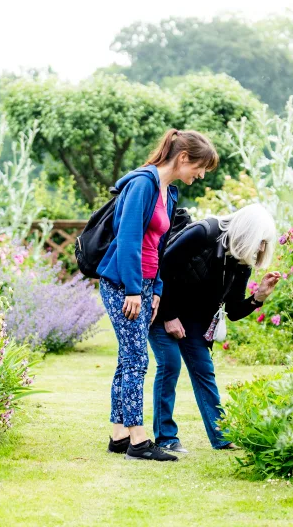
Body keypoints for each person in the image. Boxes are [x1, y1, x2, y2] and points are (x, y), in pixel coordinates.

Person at [97, 129, 219, 461]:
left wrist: (157, 290)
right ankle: (138, 441)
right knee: (137, 359)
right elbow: (128, 240)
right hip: (123, 284)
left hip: (146, 285)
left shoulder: (168, 192)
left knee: (128, 358)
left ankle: (118, 434)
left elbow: (159, 247)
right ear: (183, 158)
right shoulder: (142, 184)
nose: (201, 174)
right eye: (201, 167)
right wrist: (135, 290)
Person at [148, 204, 280, 453]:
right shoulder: (203, 232)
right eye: (260, 241)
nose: (261, 248)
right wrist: (169, 315)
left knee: (204, 371)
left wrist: (258, 297)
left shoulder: (241, 260)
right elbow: (161, 269)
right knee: (170, 364)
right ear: (247, 232)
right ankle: (166, 437)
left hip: (195, 320)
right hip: (161, 306)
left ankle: (221, 437)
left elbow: (233, 310)